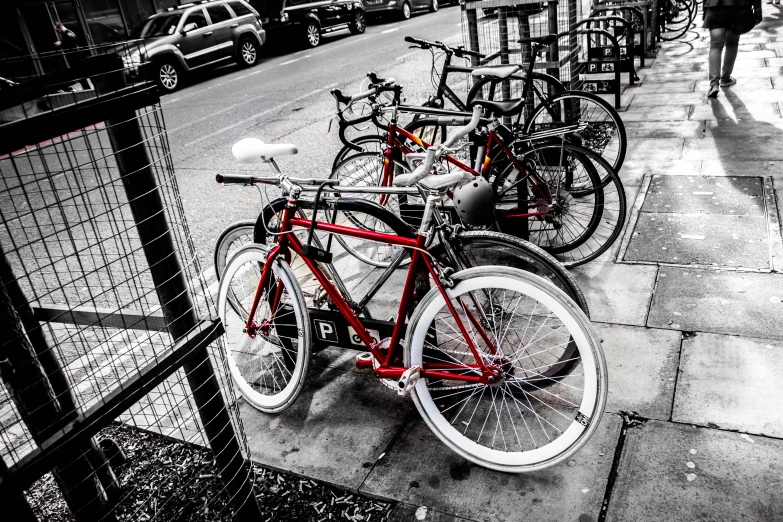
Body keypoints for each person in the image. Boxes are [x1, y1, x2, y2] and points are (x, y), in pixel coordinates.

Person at [702, 0, 763, 98]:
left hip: (714, 7)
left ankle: (714, 84)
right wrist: (758, 12)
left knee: (715, 46)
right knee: (732, 44)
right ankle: (725, 78)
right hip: (737, 9)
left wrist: (705, 9)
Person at [54, 21, 91, 90]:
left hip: (73, 57)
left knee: (79, 74)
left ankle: (86, 88)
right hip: (77, 55)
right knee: (81, 74)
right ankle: (86, 87)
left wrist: (60, 45)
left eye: (57, 30)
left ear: (60, 27)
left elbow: (68, 45)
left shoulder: (66, 34)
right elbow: (71, 43)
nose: (58, 32)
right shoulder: (70, 32)